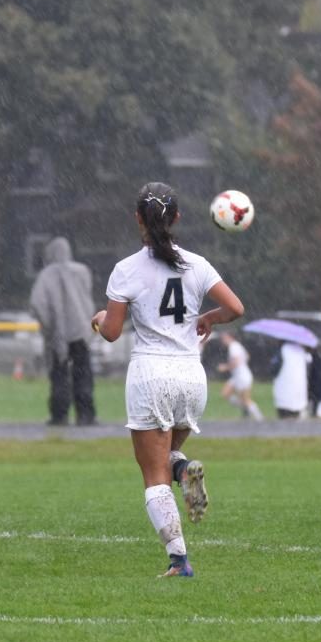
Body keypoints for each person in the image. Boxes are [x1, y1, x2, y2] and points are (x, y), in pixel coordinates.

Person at [91, 181, 246, 578]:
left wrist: (97, 321)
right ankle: (184, 472)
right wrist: (209, 317)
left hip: (151, 375)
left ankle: (179, 560)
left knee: (151, 473)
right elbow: (235, 307)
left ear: (138, 220)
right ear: (177, 218)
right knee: (168, 457)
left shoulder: (127, 269)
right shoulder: (197, 264)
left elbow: (111, 332)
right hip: (191, 376)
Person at [29, 236, 98, 427]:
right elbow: (87, 299)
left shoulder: (46, 276)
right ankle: (85, 415)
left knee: (59, 374)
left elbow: (37, 304)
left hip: (57, 333)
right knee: (83, 372)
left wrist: (49, 325)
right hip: (81, 332)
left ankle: (59, 415)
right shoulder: (82, 271)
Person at [217, 331, 263, 420]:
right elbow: (247, 356)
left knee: (246, 399)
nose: (222, 340)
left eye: (224, 338)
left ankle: (259, 418)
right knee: (225, 393)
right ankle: (246, 409)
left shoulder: (233, 346)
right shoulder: (237, 346)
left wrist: (225, 367)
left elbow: (236, 361)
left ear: (230, 337)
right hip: (237, 376)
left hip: (242, 376)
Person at [272, 341, 310, 419]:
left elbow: (274, 369)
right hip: (300, 388)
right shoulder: (302, 350)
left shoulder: (282, 350)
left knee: (284, 414)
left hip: (284, 387)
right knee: (296, 413)